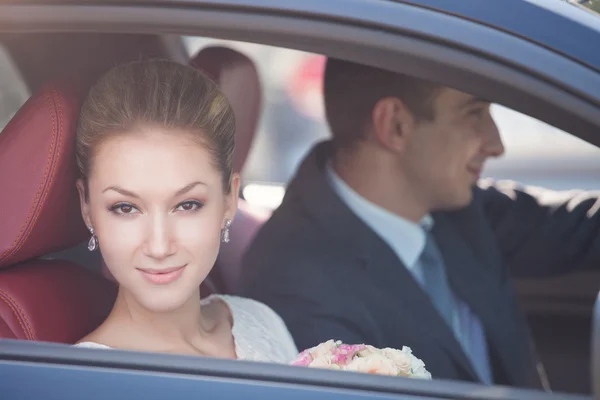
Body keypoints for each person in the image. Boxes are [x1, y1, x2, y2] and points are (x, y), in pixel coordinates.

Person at [239, 58, 600, 388]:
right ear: (395, 125)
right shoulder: (296, 286)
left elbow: (584, 227)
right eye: (474, 113)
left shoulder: (455, 208)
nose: (496, 144)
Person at [73, 59, 298, 363]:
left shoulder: (260, 323)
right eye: (125, 207)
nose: (159, 246)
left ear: (229, 199)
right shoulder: (82, 381)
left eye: (187, 205)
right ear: (87, 208)